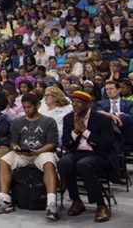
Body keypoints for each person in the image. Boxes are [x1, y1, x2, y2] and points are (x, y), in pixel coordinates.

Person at [0, 93, 60, 221]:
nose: (26, 110)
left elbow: (52, 144)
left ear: (37, 106)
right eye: (24, 107)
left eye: (29, 107)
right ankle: (5, 198)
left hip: (42, 152)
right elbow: (13, 141)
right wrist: (16, 147)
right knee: (4, 160)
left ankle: (51, 203)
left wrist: (37, 151)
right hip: (23, 153)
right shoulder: (18, 122)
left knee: (49, 163)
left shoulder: (49, 121)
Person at [59, 91, 117, 223]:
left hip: (98, 154)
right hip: (76, 152)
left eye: (78, 102)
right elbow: (66, 143)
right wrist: (75, 131)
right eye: (73, 102)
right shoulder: (68, 118)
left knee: (84, 164)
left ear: (88, 104)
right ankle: (77, 201)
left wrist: (85, 131)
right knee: (64, 163)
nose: (74, 105)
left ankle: (101, 205)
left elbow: (106, 145)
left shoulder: (103, 120)